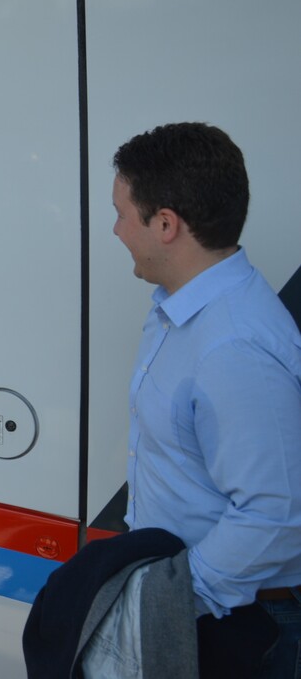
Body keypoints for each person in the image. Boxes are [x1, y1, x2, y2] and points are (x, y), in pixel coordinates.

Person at [108, 121, 301, 675]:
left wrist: (170, 603)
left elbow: (275, 515)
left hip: (235, 627)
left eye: (122, 212)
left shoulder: (235, 346)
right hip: (205, 610)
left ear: (166, 224)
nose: (116, 228)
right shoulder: (182, 308)